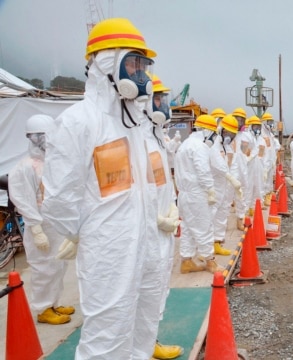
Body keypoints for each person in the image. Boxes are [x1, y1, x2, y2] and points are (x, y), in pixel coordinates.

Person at [41, 18, 166, 358]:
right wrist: (84, 233)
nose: (141, 74)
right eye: (133, 63)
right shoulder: (79, 121)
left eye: (144, 65)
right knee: (107, 335)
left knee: (144, 322)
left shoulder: (136, 125)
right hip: (109, 250)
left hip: (146, 244)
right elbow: (58, 196)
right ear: (106, 64)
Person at [8, 114, 75, 325]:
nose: (47, 141)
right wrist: (36, 230)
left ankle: (53, 303)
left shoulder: (53, 163)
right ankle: (43, 308)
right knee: (43, 268)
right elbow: (23, 200)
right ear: (32, 138)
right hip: (40, 226)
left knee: (58, 266)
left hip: (55, 225)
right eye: (42, 136)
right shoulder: (25, 167)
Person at [146, 74, 184, 360]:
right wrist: (154, 216)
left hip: (162, 226)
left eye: (164, 99)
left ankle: (149, 340)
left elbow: (160, 179)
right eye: (158, 98)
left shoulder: (155, 136)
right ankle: (145, 343)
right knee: (145, 289)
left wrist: (170, 204)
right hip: (147, 228)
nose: (164, 104)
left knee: (158, 284)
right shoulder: (140, 137)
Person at [174, 115, 224, 274]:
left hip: (184, 194)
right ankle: (210, 261)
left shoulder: (184, 145)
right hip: (197, 193)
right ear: (207, 131)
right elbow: (203, 171)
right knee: (204, 225)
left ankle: (186, 261)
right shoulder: (199, 147)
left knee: (188, 227)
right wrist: (210, 190)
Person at [210, 114, 243, 255]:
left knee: (223, 212)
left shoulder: (225, 145)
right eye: (228, 133)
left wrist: (231, 178)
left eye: (233, 134)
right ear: (222, 131)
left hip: (223, 185)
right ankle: (207, 245)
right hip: (214, 186)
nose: (230, 137)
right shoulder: (214, 145)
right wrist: (230, 177)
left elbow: (230, 160)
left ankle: (217, 242)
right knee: (211, 214)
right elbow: (217, 164)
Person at [231, 107, 250, 230]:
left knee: (241, 194)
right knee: (225, 196)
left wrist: (246, 160)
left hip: (243, 169)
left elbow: (250, 151)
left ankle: (240, 219)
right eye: (236, 119)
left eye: (241, 119)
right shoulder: (228, 134)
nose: (238, 122)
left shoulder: (247, 137)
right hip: (230, 170)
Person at [245, 115, 266, 212]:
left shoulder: (261, 139)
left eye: (258, 127)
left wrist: (265, 167)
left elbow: (263, 154)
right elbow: (244, 153)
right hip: (249, 167)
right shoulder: (246, 138)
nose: (257, 129)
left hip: (259, 166)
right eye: (255, 127)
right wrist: (251, 155)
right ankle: (247, 208)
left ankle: (256, 206)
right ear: (250, 127)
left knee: (259, 185)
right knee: (248, 187)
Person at [261, 112, 280, 203]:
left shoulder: (270, 134)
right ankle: (263, 197)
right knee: (263, 180)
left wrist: (273, 160)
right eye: (269, 121)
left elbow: (273, 148)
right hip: (264, 161)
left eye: (271, 121)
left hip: (270, 161)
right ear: (264, 122)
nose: (271, 124)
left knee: (269, 180)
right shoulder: (262, 134)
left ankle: (268, 195)